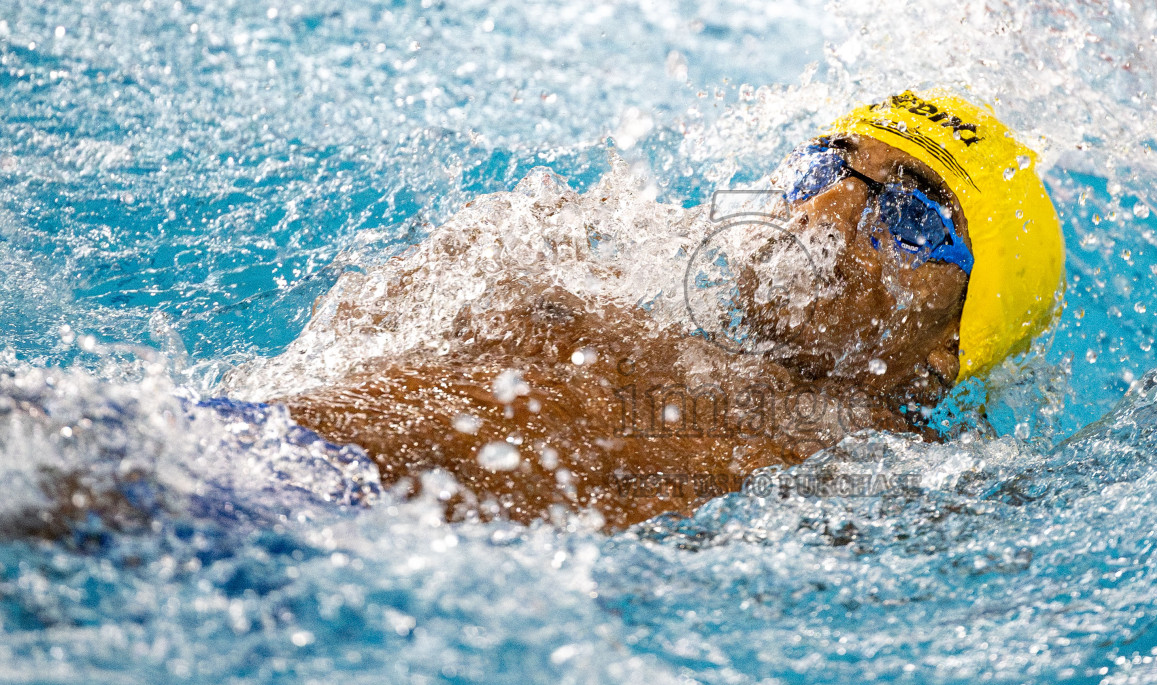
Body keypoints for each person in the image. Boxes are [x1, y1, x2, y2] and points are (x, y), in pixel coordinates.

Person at [280, 89, 1065, 527]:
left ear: (951, 344)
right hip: (242, 448)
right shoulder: (625, 286)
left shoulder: (880, 475)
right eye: (828, 165)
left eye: (912, 217)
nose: (826, 212)